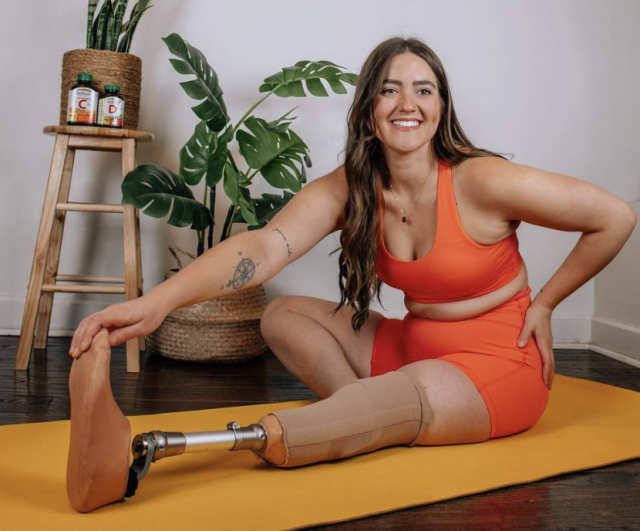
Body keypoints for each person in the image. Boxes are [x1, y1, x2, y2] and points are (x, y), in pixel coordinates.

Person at [69, 36, 636, 480]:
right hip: (411, 349)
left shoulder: (481, 180)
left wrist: (546, 304)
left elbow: (615, 216)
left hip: (496, 367)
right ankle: (364, 417)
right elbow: (265, 247)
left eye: (424, 89)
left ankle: (155, 455)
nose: (407, 103)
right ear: (369, 110)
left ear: (441, 107)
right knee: (281, 315)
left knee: (366, 407)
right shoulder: (352, 186)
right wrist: (157, 303)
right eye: (390, 90)